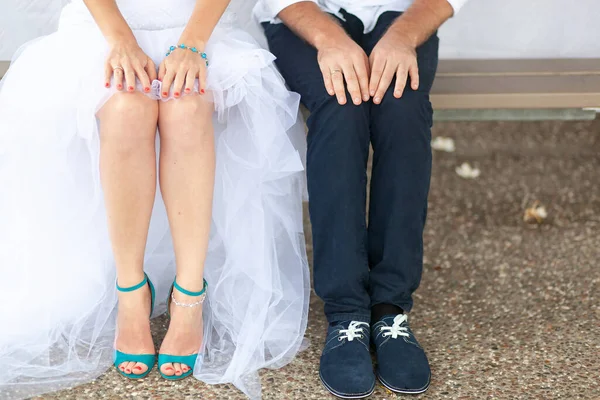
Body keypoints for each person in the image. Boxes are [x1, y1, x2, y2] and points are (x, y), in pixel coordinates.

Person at [0, 0, 309, 399]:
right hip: (105, 27)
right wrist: (120, 39)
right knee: (126, 106)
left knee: (186, 105)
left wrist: (193, 43)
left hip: (198, 26)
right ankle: (131, 290)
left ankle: (189, 292)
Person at [254, 0, 467, 397]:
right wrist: (329, 38)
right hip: (306, 12)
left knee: (403, 107)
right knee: (341, 103)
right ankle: (346, 312)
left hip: (403, 14)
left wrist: (402, 37)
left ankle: (390, 308)